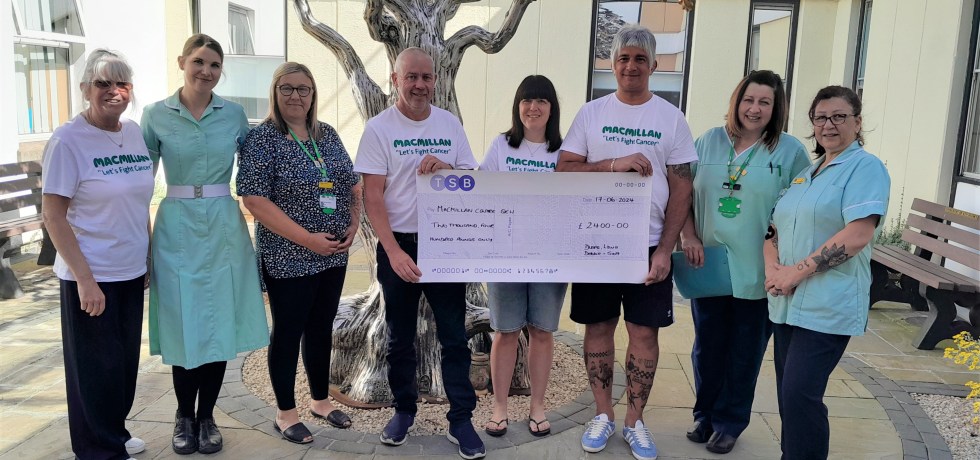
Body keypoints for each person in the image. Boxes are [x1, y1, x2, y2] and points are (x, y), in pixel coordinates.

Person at [556, 24, 697, 460]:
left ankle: (635, 421)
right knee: (597, 328)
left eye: (639, 59)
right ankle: (603, 415)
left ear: (654, 65)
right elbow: (565, 169)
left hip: (648, 245)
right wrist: (614, 164)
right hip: (596, 244)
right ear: (612, 65)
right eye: (623, 59)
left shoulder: (670, 118)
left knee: (643, 334)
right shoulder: (591, 114)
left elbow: (682, 189)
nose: (631, 66)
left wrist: (664, 250)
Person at [353, 47, 484, 460]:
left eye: (426, 77)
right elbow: (373, 196)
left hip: (445, 245)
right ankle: (404, 411)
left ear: (435, 81)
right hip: (399, 245)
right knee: (399, 339)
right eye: (411, 77)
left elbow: (471, 178)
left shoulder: (449, 125)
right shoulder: (379, 129)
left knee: (453, 338)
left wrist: (446, 165)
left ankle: (461, 420)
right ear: (395, 80)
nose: (419, 85)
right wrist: (391, 252)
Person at [141, 34, 269, 455]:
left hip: (223, 225)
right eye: (199, 62)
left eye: (214, 65)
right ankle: (183, 415)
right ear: (182, 61)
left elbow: (260, 166)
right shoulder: (155, 115)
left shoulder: (233, 115)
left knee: (218, 320)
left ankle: (208, 415)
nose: (206, 71)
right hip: (175, 225)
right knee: (183, 322)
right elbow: (138, 184)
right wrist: (137, 241)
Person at [678, 70, 811, 455]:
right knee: (707, 347)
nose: (754, 109)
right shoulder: (707, 142)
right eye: (748, 100)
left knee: (745, 350)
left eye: (764, 102)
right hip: (710, 264)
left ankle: (730, 422)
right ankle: (705, 415)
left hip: (759, 268)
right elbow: (683, 193)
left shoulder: (789, 152)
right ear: (737, 102)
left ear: (776, 108)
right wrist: (689, 234)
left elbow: (797, 211)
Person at [764, 85, 890, 460]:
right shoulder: (808, 172)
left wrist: (795, 273)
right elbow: (773, 228)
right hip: (788, 303)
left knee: (801, 394)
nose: (829, 125)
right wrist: (772, 267)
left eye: (839, 116)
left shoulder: (865, 168)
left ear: (857, 122)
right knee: (790, 394)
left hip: (827, 305)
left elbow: (857, 234)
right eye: (821, 118)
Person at [238, 62, 360, 445]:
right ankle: (285, 413)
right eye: (287, 88)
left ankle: (320, 400)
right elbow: (254, 199)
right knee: (289, 332)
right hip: (289, 256)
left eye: (303, 89)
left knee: (321, 328)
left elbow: (351, 183)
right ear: (275, 92)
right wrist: (308, 239)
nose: (295, 96)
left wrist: (354, 223)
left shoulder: (327, 135)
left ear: (313, 95)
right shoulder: (263, 140)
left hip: (333, 253)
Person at [41, 49, 153, 460]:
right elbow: (53, 216)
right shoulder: (67, 140)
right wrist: (85, 280)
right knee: (94, 369)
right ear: (86, 88)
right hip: (91, 275)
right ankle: (96, 449)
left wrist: (148, 258)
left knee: (122, 366)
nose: (113, 90)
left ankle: (114, 434)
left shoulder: (134, 132)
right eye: (103, 83)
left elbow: (140, 202)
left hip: (128, 269)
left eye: (121, 82)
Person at [478, 75, 566, 438]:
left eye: (541, 101)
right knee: (506, 331)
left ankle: (537, 406)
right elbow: (480, 188)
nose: (534, 107)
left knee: (542, 332)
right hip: (506, 255)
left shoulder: (565, 150)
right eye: (527, 100)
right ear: (518, 106)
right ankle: (499, 406)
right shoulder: (502, 146)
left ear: (551, 108)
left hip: (551, 257)